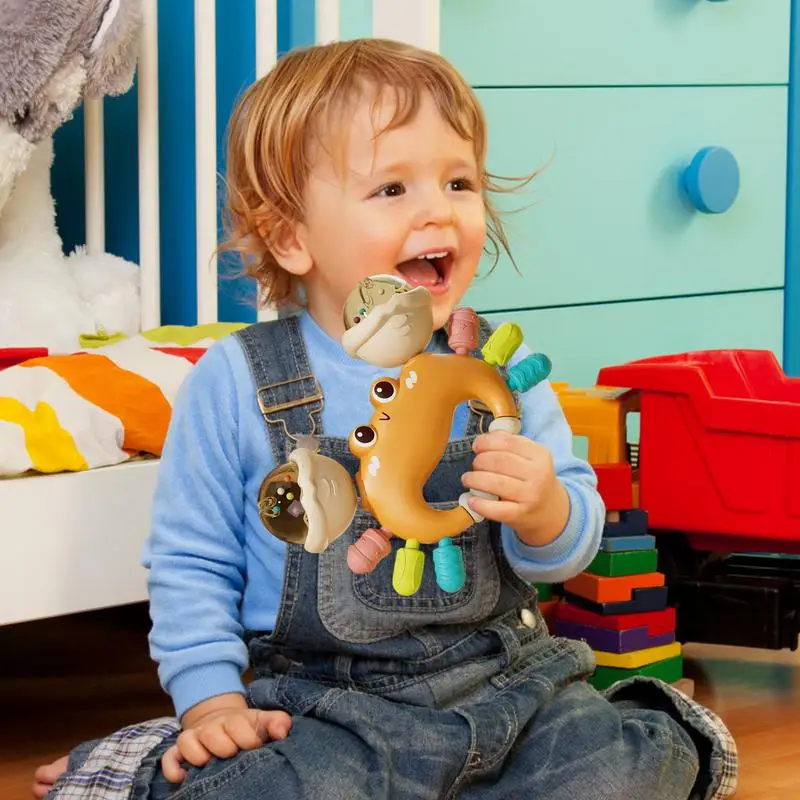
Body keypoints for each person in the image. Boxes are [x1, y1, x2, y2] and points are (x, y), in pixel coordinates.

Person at [35, 38, 737, 800]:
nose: (439, 208)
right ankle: (139, 763)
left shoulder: (501, 369)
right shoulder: (236, 382)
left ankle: (652, 730)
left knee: (613, 771)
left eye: (459, 180)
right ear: (290, 236)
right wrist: (212, 704)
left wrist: (547, 510)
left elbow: (564, 555)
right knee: (260, 786)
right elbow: (193, 563)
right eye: (392, 189)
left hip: (510, 685)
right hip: (328, 712)